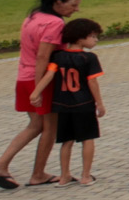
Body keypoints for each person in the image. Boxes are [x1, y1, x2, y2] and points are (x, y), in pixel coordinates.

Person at [0, 0, 80, 190]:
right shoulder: (55, 23)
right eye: (73, 5)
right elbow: (43, 56)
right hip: (42, 79)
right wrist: (39, 88)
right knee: (50, 128)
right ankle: (37, 174)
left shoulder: (33, 17)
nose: (77, 9)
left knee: (35, 125)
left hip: (23, 77)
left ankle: (1, 166)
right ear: (58, 3)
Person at [40, 18, 109, 184]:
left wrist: (36, 93)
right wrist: (99, 103)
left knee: (66, 141)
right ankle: (86, 175)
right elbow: (92, 82)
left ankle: (64, 176)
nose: (96, 40)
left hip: (62, 104)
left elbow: (49, 75)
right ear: (80, 38)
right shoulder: (89, 58)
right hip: (84, 104)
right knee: (88, 138)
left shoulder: (57, 56)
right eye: (93, 36)